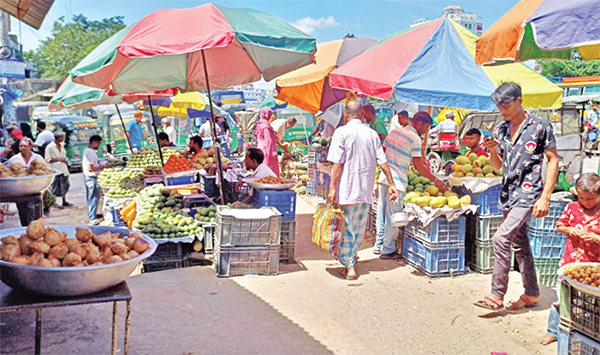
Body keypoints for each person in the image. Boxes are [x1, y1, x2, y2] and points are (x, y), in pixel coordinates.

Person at [474, 82, 559, 311]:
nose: (503, 110)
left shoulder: (540, 126)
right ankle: (532, 293)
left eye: (507, 105)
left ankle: (496, 294)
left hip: (529, 192)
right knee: (520, 244)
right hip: (508, 193)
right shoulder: (501, 129)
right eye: (499, 106)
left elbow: (553, 160)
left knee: (501, 238)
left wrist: (546, 197)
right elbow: (497, 165)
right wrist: (492, 150)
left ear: (519, 101)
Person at [327, 100, 398, 280]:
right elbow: (383, 161)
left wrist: (332, 188)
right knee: (357, 227)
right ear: (362, 114)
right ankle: (352, 255)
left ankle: (349, 265)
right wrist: (391, 183)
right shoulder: (372, 134)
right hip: (364, 189)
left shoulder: (341, 132)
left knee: (346, 227)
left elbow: (337, 163)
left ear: (345, 115)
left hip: (347, 188)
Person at [375, 112, 448, 259]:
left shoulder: (394, 132)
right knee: (393, 216)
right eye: (426, 128)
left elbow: (382, 154)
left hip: (384, 178)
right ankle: (388, 249)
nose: (426, 131)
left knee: (381, 213)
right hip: (398, 182)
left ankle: (378, 245)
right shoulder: (415, 139)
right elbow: (419, 166)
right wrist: (436, 180)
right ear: (419, 124)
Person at [538, 173, 600, 346]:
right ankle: (553, 332)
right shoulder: (572, 207)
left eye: (590, 198)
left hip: (594, 269)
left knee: (592, 305)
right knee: (560, 301)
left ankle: (586, 332)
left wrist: (596, 239)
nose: (586, 202)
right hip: (569, 265)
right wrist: (569, 230)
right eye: (582, 198)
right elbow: (559, 226)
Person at [8, 138, 48, 226]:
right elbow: (9, 174)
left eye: (25, 146)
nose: (22, 148)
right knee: (22, 211)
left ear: (30, 147)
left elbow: (46, 172)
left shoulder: (38, 158)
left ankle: (34, 229)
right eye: (20, 146)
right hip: (19, 191)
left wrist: (47, 187)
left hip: (34, 190)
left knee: (33, 211)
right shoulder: (14, 159)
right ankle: (25, 229)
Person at [82, 135, 115, 225]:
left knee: (91, 197)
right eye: (99, 144)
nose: (99, 146)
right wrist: (105, 166)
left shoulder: (87, 150)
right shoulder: (90, 153)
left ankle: (92, 215)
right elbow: (91, 168)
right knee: (93, 198)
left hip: (89, 177)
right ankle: (92, 218)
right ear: (95, 142)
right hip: (91, 177)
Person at [45, 131, 72, 208]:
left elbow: (64, 154)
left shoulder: (61, 145)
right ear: (58, 137)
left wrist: (64, 159)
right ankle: (54, 202)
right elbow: (47, 159)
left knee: (65, 184)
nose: (63, 139)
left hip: (63, 168)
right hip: (55, 168)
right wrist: (58, 159)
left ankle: (64, 201)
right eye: (62, 137)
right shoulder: (50, 147)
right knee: (55, 186)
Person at [256, 107, 280, 177]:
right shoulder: (265, 126)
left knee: (263, 168)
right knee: (269, 170)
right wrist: (272, 153)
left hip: (261, 148)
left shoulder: (260, 123)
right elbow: (268, 141)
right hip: (267, 150)